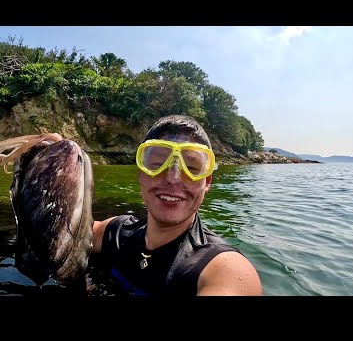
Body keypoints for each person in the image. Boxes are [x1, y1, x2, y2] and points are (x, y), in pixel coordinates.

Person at [91, 114, 262, 296]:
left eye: (192, 169)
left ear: (207, 182)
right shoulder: (114, 232)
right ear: (140, 174)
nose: (173, 178)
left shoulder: (223, 271)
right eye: (157, 164)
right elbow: (68, 231)